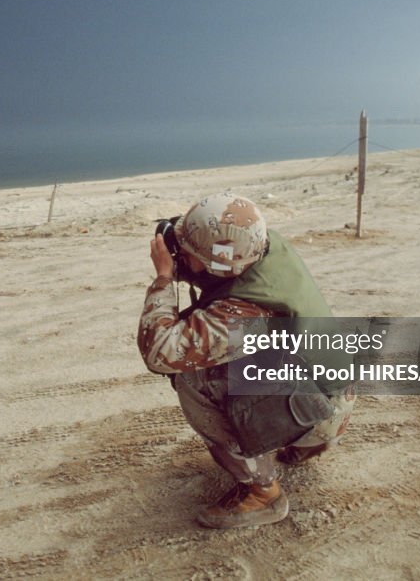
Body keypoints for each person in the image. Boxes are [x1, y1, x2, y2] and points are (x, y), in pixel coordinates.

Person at [137, 192, 356, 529]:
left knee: (193, 376)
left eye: (187, 250)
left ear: (215, 265)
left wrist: (164, 279)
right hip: (332, 395)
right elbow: (223, 270)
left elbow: (160, 352)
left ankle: (261, 493)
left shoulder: (245, 311)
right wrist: (191, 259)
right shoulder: (262, 244)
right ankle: (297, 451)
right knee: (251, 359)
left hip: (317, 415)